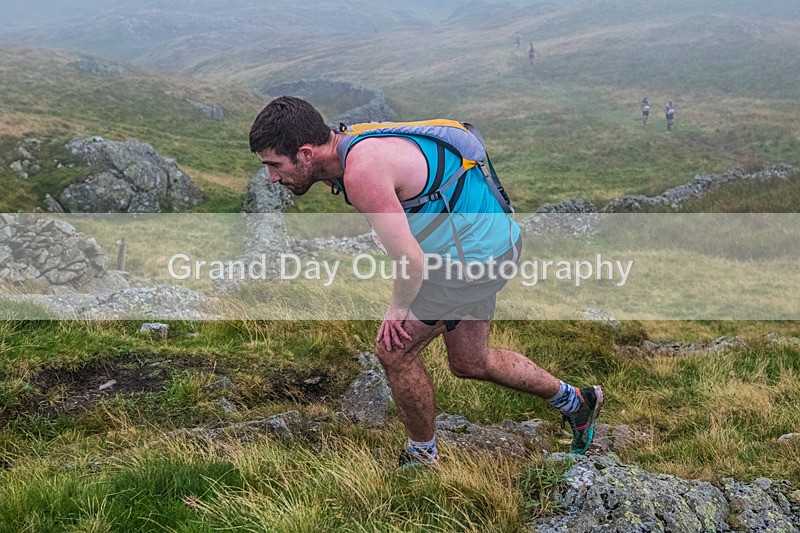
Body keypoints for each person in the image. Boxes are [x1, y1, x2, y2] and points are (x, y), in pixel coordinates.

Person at [249, 96, 604, 467]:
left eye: (275, 165)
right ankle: (577, 402)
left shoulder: (362, 171)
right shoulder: (349, 143)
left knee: (393, 351)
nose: (272, 178)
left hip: (471, 262)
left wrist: (397, 308)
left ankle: (421, 456)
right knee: (470, 361)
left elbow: (411, 261)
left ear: (306, 153)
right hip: (491, 244)